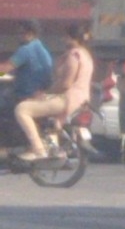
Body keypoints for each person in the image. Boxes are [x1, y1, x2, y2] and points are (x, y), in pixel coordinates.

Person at [11, 23, 93, 163]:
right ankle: (52, 146)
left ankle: (38, 150)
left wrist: (44, 94)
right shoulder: (86, 55)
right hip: (82, 99)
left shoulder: (26, 50)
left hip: (67, 98)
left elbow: (6, 68)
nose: (63, 39)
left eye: (65, 37)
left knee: (21, 109)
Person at [0, 20, 53, 114]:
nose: (18, 36)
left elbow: (5, 69)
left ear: (30, 33)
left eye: (21, 32)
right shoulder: (44, 51)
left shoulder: (26, 50)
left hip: (24, 96)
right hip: (40, 95)